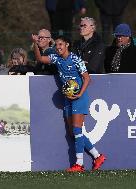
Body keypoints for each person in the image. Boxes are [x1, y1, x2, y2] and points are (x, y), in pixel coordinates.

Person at [32, 34, 106, 172]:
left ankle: (79, 164)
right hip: (68, 97)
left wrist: (80, 93)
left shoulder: (76, 59)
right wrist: (36, 44)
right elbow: (40, 58)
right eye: (56, 45)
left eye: (61, 44)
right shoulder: (56, 58)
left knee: (77, 130)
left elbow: (87, 78)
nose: (58, 47)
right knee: (73, 132)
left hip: (79, 97)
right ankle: (97, 156)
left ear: (67, 45)